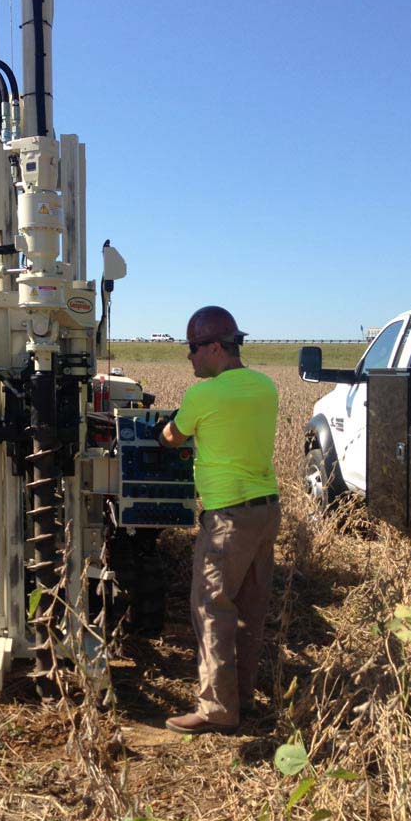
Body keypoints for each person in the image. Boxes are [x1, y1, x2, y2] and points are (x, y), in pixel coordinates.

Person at [156, 306, 280, 735]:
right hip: (266, 511)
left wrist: (162, 429)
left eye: (193, 349)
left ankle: (215, 709)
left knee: (212, 609)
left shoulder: (203, 396)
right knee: (250, 609)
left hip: (227, 517)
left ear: (213, 347)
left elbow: (171, 438)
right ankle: (242, 696)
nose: (189, 358)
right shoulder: (266, 387)